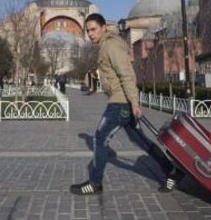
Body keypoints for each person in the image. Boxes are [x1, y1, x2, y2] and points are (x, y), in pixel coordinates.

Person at [70, 13, 183, 196]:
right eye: (88, 30)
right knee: (140, 141)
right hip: (122, 101)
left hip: (120, 103)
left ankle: (95, 183)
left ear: (103, 27)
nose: (90, 34)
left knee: (99, 139)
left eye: (93, 29)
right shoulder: (106, 45)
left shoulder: (110, 46)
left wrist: (134, 103)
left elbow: (127, 75)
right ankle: (172, 171)